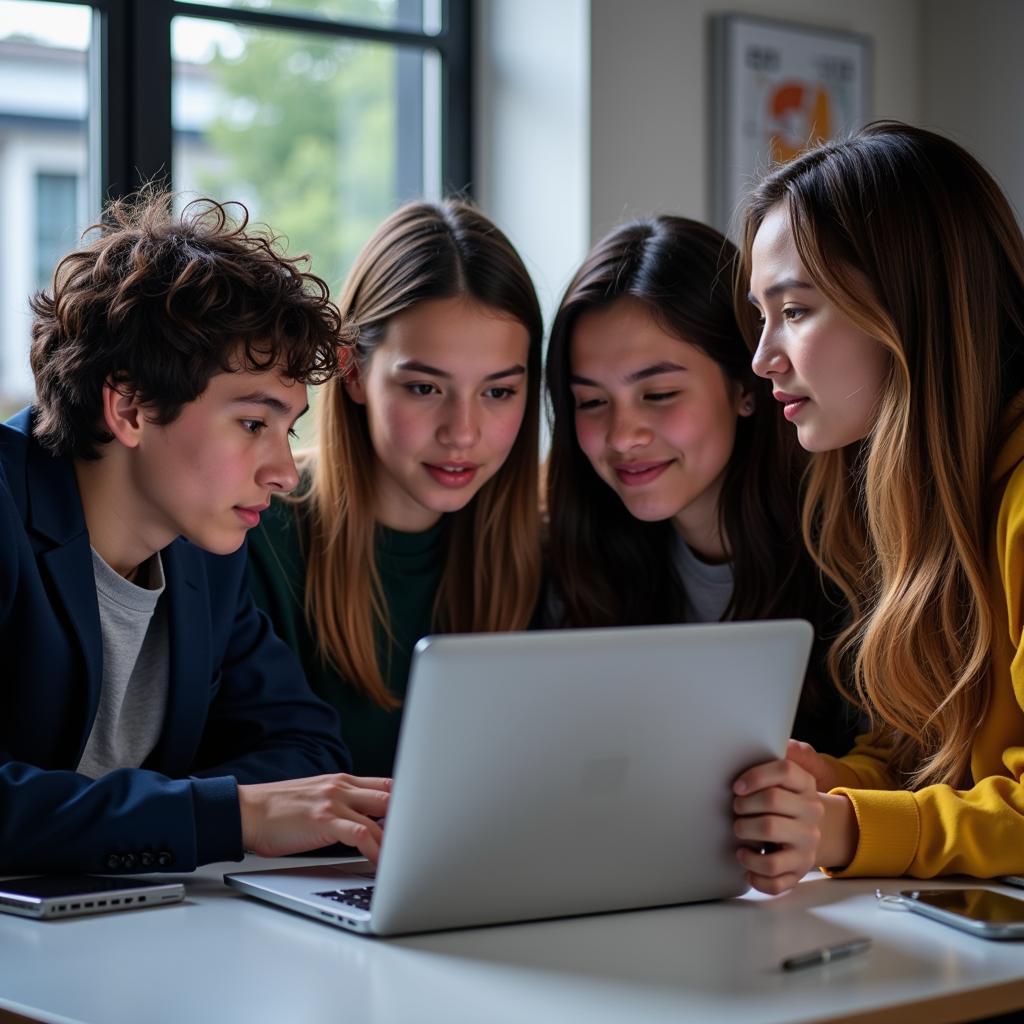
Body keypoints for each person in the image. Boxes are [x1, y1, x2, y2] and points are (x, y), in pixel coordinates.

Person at [0, 189, 392, 875]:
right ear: (129, 408)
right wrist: (224, 816)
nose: (280, 470)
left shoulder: (204, 553)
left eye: (287, 428)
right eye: (252, 423)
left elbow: (305, 744)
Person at [734, 120, 1024, 894]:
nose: (762, 358)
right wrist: (825, 782)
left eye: (793, 311)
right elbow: (922, 758)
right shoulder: (910, 490)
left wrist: (843, 825)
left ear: (909, 307)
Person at [248, 199, 543, 777]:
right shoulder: (255, 529)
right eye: (424, 389)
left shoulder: (542, 546)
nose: (463, 433)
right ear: (352, 371)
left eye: (498, 392)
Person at [544, 214, 854, 754]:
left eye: (659, 394)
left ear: (746, 385)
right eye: (591, 403)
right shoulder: (576, 558)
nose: (623, 436)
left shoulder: (851, 548)